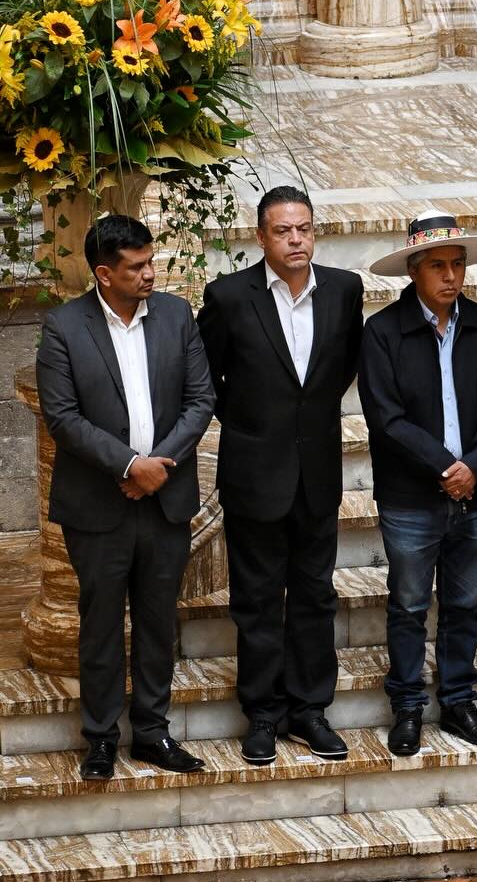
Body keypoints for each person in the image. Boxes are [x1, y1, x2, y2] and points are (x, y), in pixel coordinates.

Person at [34, 215, 215, 780]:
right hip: (98, 505)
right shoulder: (64, 327)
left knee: (159, 621)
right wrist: (130, 465)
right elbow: (62, 417)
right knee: (102, 622)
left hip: (165, 500)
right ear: (104, 273)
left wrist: (158, 467)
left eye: (151, 262)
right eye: (136, 267)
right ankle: (101, 738)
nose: (150, 274)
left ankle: (153, 732)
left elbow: (201, 399)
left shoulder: (176, 316)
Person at [197, 186, 364, 766]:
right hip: (254, 473)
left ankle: (310, 710)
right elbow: (207, 378)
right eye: (283, 231)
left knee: (316, 596)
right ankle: (263, 715)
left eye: (304, 229)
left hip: (317, 472)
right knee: (258, 600)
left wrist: (304, 419)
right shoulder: (228, 297)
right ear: (261, 237)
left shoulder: (344, 290)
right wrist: (253, 425)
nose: (296, 240)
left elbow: (341, 367)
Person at [359, 210, 477, 757]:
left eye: (458, 265)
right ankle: (407, 707)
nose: (451, 276)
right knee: (407, 604)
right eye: (438, 266)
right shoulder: (382, 332)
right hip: (410, 498)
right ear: (414, 271)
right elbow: (386, 417)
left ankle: (458, 702)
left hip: (475, 494)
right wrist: (446, 467)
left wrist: (474, 464)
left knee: (463, 603)